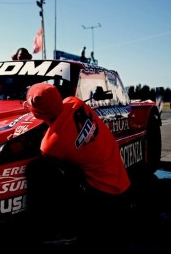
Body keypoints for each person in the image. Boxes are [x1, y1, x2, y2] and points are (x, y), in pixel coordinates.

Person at [24, 83, 131, 242]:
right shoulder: (75, 102)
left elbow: (55, 149)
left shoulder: (51, 144)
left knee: (37, 169)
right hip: (123, 186)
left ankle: (63, 230)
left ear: (36, 113)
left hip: (104, 199)